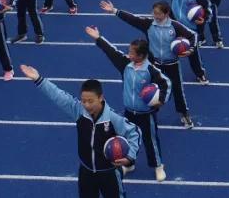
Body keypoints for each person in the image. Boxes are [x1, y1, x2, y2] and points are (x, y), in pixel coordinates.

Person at [19, 63, 141, 197]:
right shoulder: (79, 111)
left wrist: (130, 157)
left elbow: (134, 132)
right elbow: (59, 96)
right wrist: (38, 79)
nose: (86, 105)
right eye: (83, 101)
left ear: (101, 98)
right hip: (86, 171)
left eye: (90, 101)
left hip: (109, 172)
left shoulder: (112, 118)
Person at [99, 0, 201, 127]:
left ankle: (184, 114)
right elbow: (133, 19)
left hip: (172, 64)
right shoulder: (148, 24)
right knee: (149, 90)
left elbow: (193, 36)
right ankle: (151, 114)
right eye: (154, 13)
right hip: (154, 64)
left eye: (158, 14)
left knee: (177, 90)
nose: (156, 16)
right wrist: (114, 11)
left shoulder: (175, 26)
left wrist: (190, 49)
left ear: (167, 13)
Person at [86, 30, 170, 182]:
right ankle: (130, 163)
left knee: (150, 141)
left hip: (146, 114)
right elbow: (112, 51)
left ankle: (158, 166)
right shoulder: (126, 65)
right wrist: (98, 38)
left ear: (141, 55)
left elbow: (166, 83)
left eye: (132, 52)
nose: (128, 54)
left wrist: (161, 100)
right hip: (129, 112)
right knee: (127, 139)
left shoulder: (151, 70)